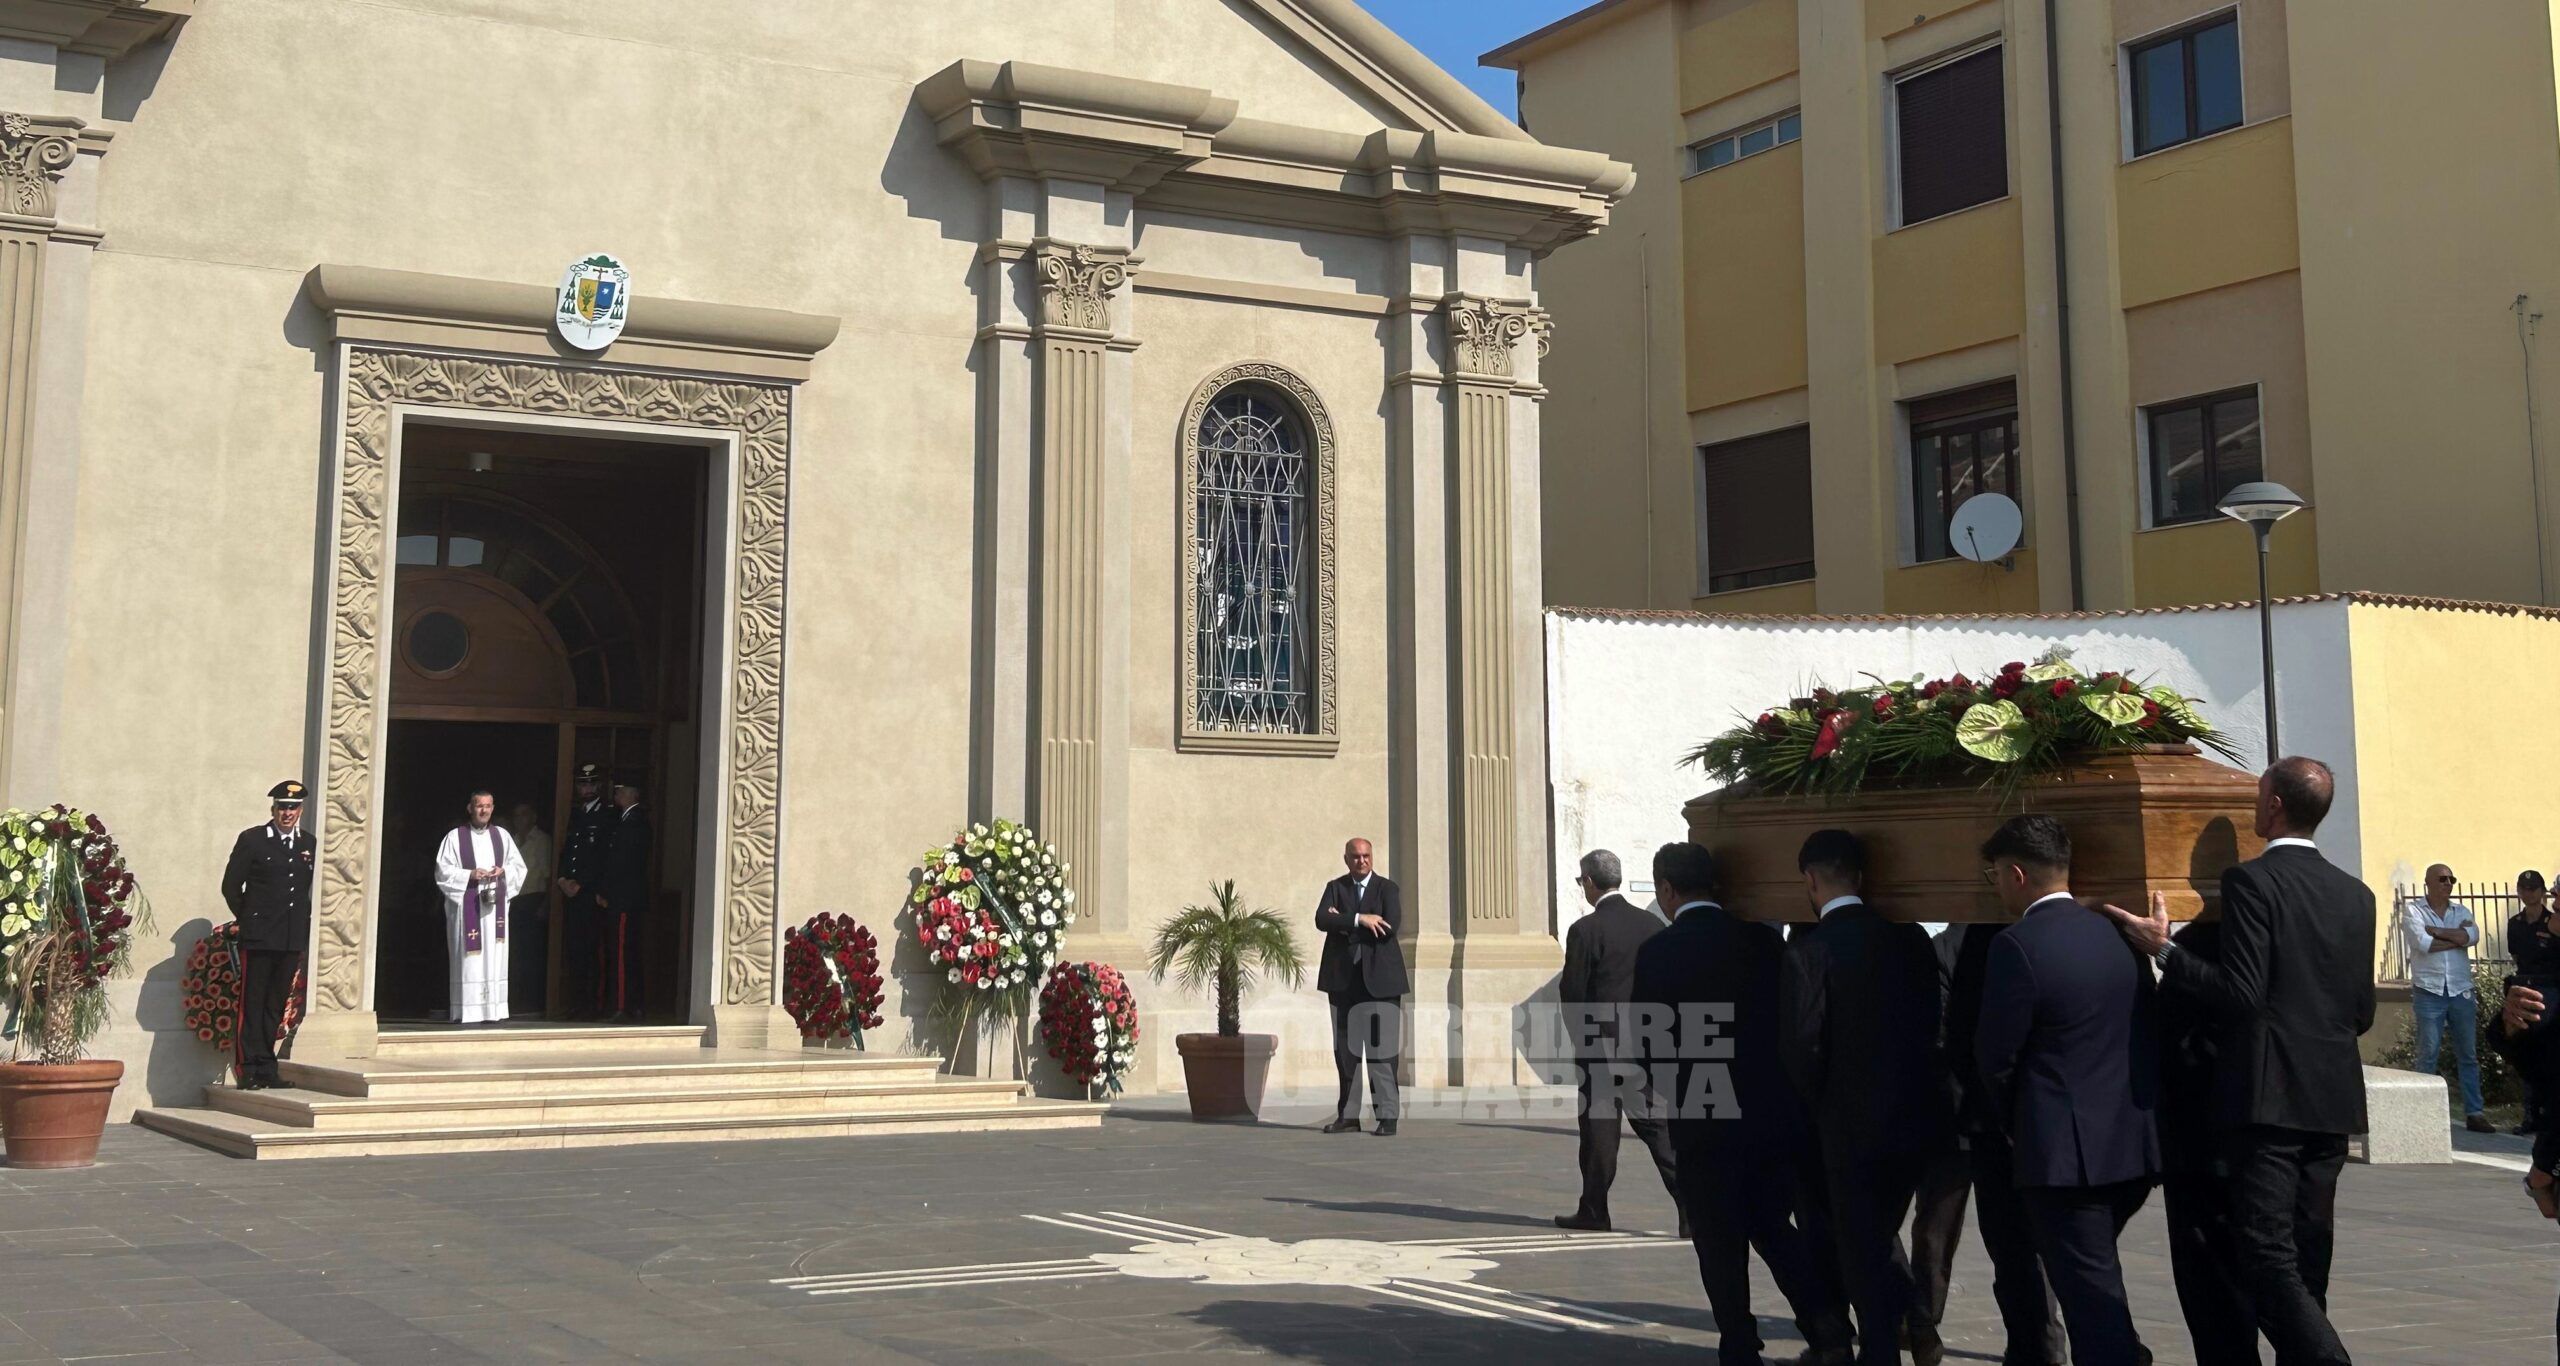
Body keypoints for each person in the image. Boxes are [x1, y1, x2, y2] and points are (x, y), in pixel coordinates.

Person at [2101, 756, 2375, 1366]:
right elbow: (2361, 1013)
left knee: (2266, 1255)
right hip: (2331, 1101)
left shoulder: (2252, 882)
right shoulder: (2357, 894)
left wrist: (2163, 948)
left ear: (2272, 805)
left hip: (2268, 1100)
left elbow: (2242, 996)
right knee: (2309, 1256)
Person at [1632, 841, 1854, 1366]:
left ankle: (1738, 1341)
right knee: (1775, 1228)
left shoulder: (1659, 952)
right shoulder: (1762, 943)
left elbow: (1648, 1043)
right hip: (1771, 1111)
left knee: (1717, 1239)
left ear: (1666, 889)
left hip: (1702, 1113)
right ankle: (1827, 1328)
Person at [1975, 814, 2159, 1366]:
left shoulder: (2017, 945)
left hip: (2063, 1161)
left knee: (2091, 1303)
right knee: (2097, 1280)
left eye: (1994, 877)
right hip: (2129, 1147)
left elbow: (1996, 1058)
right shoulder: (2119, 934)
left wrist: (2019, 1127)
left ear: (2016, 875)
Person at [1779, 829, 1950, 1366]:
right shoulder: (1911, 940)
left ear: (1809, 880)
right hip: (1914, 1118)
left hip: (1847, 1127)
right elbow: (1931, 1023)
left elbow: (1804, 1045)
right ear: (1862, 875)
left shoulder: (1811, 951)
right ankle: (1918, 1327)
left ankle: (1882, 1351)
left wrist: (1817, 1105)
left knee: (1861, 1250)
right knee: (1876, 1235)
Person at [1910, 921, 2066, 1366]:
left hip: (1957, 1113)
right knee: (2027, 1242)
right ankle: (2047, 1343)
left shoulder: (1946, 947)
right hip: (2005, 1116)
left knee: (1936, 1233)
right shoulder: (2024, 939)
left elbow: (1939, 1029)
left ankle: (1923, 1326)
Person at [2155, 903, 2262, 1366]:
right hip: (2263, 1131)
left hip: (2200, 1137)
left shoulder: (2196, 947)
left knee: (2211, 1277)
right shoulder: (2268, 938)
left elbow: (2166, 1035)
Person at [1555, 848, 1680, 1233]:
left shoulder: (1585, 930)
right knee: (1658, 1128)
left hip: (1601, 1047)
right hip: (1646, 1042)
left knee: (1599, 1134)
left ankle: (1595, 1209)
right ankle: (1693, 1209)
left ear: (1590, 882)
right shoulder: (1652, 925)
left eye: (1581, 882)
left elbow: (1573, 993)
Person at [217, 780, 314, 1090]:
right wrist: (249, 919)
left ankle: (267, 1067)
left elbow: (302, 890)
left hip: (289, 936)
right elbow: (231, 886)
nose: (288, 813)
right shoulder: (254, 840)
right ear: (273, 809)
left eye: (293, 807)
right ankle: (248, 1069)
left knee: (276, 1003)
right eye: (282, 807)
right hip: (260, 936)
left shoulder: (307, 843)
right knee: (253, 1002)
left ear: (300, 810)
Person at [1314, 837, 1404, 1135]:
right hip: (1343, 984)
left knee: (1382, 1053)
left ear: (1372, 857)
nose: (1361, 861)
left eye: (1366, 856)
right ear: (1346, 859)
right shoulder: (1335, 888)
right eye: (1355, 857)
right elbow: (1321, 919)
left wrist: (1343, 923)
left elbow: (1389, 927)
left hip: (1381, 984)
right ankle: (1348, 1117)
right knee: (1347, 1054)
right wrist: (1359, 919)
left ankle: (1387, 1117)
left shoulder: (1387, 889)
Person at [2404, 863, 2492, 1132]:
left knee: (2468, 1054)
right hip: (2429, 991)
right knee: (2428, 1054)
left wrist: (2438, 932)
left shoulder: (2461, 911)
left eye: (2451, 879)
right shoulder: (2414, 911)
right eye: (2442, 879)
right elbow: (2423, 944)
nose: (2448, 883)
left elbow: (2473, 936)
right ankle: (2421, 1114)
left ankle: (2474, 1113)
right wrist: (2457, 938)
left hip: (2460, 990)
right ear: (2428, 882)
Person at [432, 789, 527, 1026]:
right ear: (470, 808)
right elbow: (442, 871)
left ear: (493, 808)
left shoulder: (502, 836)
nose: (483, 810)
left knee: (494, 956)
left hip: (494, 910)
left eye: (488, 806)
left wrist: (503, 871)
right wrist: (470, 874)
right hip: (468, 909)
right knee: (469, 958)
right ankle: (468, 1010)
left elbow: (519, 868)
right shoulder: (455, 837)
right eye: (479, 806)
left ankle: (493, 1009)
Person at [555, 763, 613, 1020]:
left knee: (592, 951)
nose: (586, 788)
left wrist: (584, 885)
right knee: (575, 950)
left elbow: (605, 857)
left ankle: (593, 1005)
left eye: (590, 783)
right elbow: (569, 850)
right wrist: (562, 878)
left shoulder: (607, 814)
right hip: (572, 894)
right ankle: (577, 1004)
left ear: (599, 786)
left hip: (591, 895)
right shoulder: (576, 814)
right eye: (582, 783)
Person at [595, 772, 653, 1023]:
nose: (617, 795)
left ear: (632, 794)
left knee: (622, 953)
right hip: (623, 898)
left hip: (624, 899)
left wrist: (607, 892)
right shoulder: (622, 820)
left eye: (621, 790)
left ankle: (623, 1005)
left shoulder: (636, 822)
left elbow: (623, 864)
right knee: (622, 952)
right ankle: (628, 1003)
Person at [2507, 871, 2558, 1134]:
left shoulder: (2553, 922)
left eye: (2533, 888)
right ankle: (2530, 1115)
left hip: (2550, 992)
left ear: (2543, 893)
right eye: (2524, 888)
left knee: (2550, 1055)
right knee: (2527, 1055)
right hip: (2525, 989)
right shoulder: (2515, 923)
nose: (2528, 893)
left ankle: (2549, 1113)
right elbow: (2516, 955)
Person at [506, 802, 553, 1018]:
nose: (519, 819)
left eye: (524, 814)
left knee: (532, 953)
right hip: (512, 902)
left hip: (534, 900)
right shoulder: (511, 840)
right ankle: (514, 1002)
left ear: (533, 817)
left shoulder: (541, 841)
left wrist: (546, 905)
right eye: (516, 815)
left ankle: (532, 1003)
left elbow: (548, 875)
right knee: (514, 954)